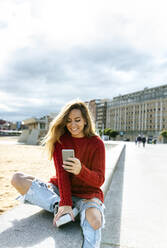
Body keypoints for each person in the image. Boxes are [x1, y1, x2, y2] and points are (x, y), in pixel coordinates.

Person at [11, 100, 105, 248]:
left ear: (86, 120)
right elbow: (62, 176)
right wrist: (65, 203)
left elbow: (99, 180)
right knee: (17, 179)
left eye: (77, 120)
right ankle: (58, 207)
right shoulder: (61, 141)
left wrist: (81, 171)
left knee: (95, 222)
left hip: (87, 195)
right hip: (60, 191)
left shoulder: (96, 143)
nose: (73, 125)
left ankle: (72, 209)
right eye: (68, 121)